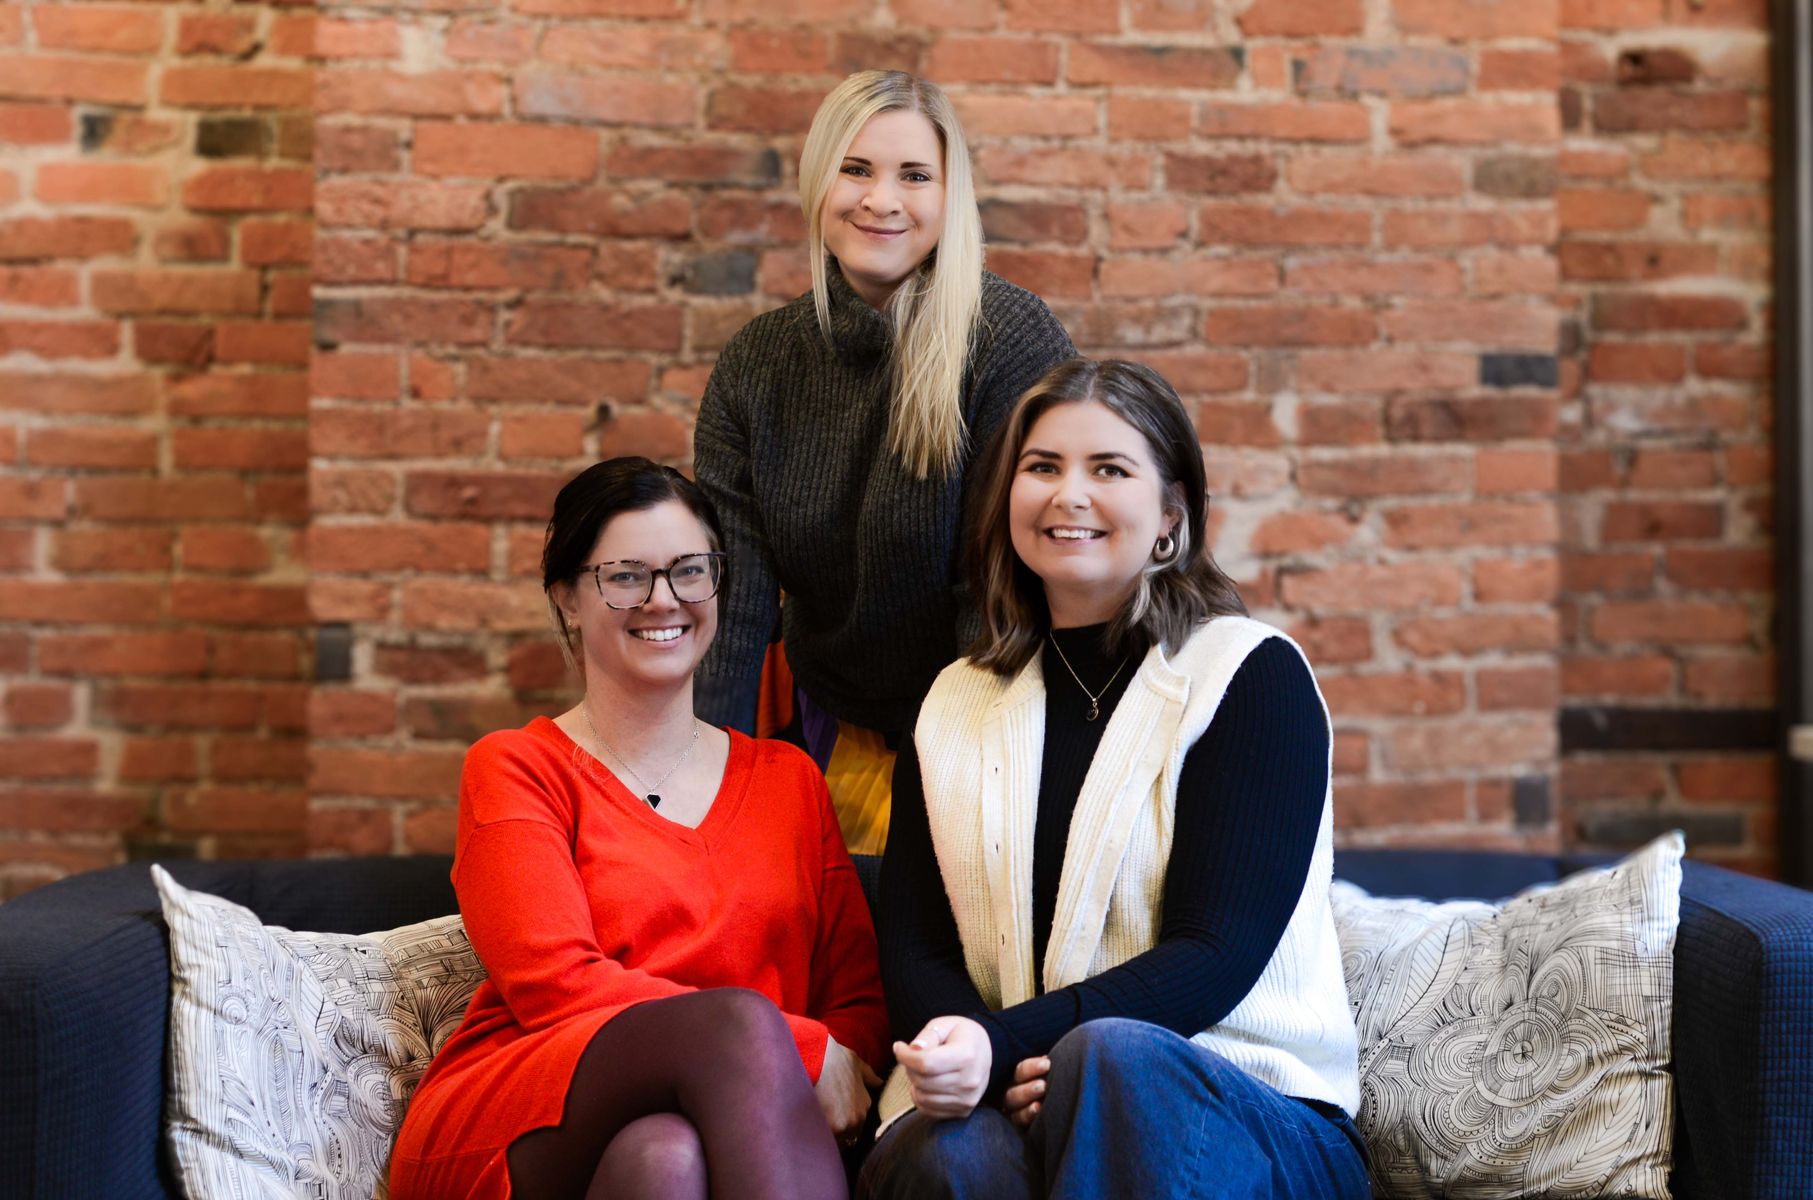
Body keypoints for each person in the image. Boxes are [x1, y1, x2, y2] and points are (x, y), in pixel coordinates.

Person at [858, 360, 1367, 1199]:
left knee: (1112, 1054)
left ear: (1170, 516)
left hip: (1254, 1116)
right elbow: (916, 944)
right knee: (942, 1148)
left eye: (1109, 469)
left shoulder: (1246, 677)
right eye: (1042, 467)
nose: (1069, 494)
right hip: (1018, 1096)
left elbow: (1215, 955)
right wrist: (979, 1062)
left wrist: (1010, 1046)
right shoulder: (954, 702)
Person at [389, 458, 890, 1200]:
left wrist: (824, 1049)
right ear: (567, 598)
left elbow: (856, 998)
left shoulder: (788, 779)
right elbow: (557, 986)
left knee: (664, 1158)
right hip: (528, 1112)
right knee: (735, 1026)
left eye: (690, 571)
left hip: (725, 1133)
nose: (664, 600)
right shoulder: (517, 768)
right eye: (626, 576)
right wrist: (801, 1048)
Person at [693, 69, 1076, 856]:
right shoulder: (758, 363)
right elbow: (733, 605)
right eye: (856, 169)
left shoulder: (1005, 338)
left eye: (914, 175)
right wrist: (703, 799)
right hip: (835, 719)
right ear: (818, 179)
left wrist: (982, 788)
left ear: (949, 194)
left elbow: (1002, 586)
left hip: (992, 717)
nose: (881, 200)